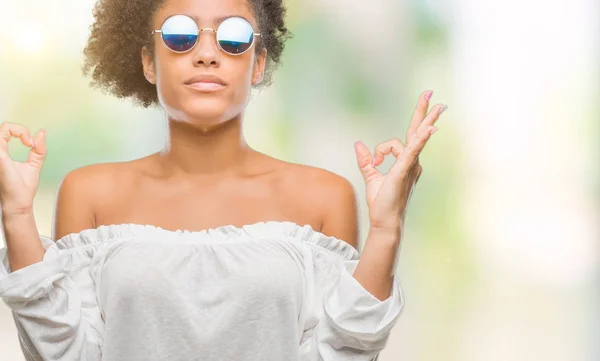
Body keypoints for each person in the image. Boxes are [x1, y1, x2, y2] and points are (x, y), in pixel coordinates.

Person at [0, 0, 447, 360]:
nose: (207, 53)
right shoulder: (90, 192)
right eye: (180, 34)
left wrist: (387, 230)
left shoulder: (324, 196)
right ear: (149, 63)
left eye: (234, 37)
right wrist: (17, 215)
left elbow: (342, 352)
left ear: (257, 64)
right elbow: (62, 354)